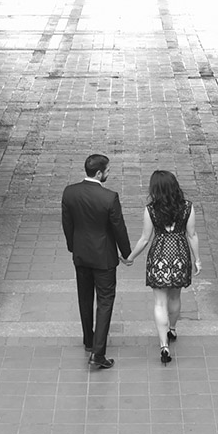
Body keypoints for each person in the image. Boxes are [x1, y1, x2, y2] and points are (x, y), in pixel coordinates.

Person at [61, 153, 131, 370]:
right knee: (105, 301)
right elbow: (118, 227)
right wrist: (126, 253)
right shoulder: (109, 197)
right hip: (104, 257)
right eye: (108, 171)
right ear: (99, 173)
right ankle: (98, 353)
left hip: (81, 254)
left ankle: (88, 339)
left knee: (84, 298)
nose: (109, 174)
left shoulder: (70, 192)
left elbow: (67, 224)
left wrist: (74, 246)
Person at [124, 170, 201, 364]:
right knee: (175, 297)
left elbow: (144, 239)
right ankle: (172, 329)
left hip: (159, 255)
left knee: (159, 302)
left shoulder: (150, 210)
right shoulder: (187, 207)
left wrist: (130, 257)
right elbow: (192, 235)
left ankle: (163, 345)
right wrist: (197, 259)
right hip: (180, 255)